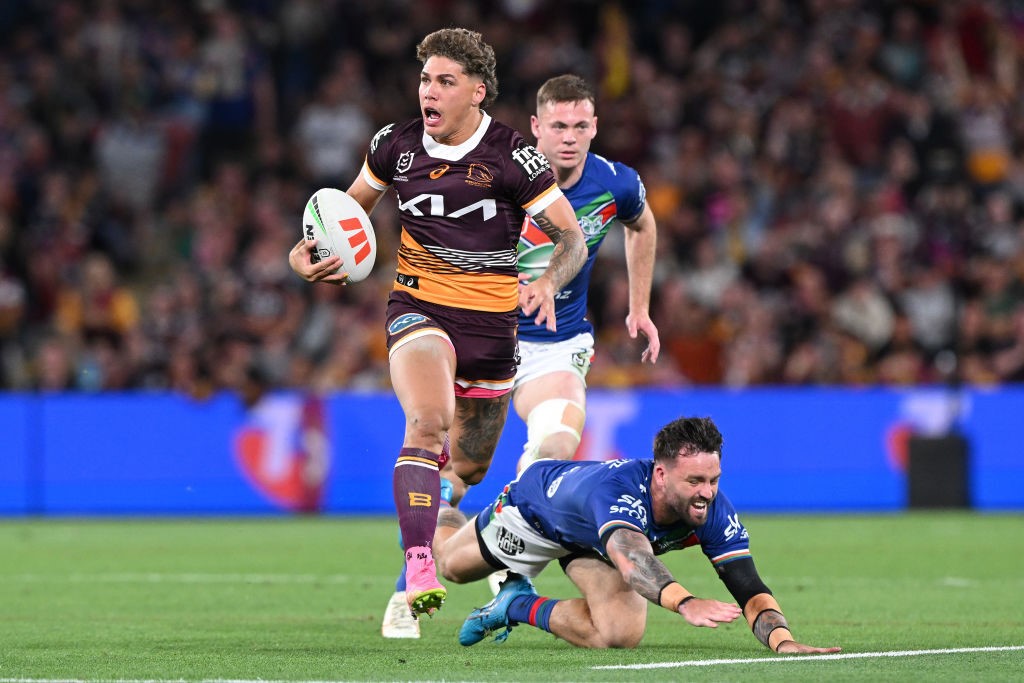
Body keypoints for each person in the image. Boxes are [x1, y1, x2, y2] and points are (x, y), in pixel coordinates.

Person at [288, 28, 586, 628]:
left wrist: (549, 282)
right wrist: (304, 256)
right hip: (419, 310)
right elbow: (339, 220)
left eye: (445, 81)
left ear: (477, 92)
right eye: (425, 79)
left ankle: (441, 529)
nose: (430, 91)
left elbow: (570, 237)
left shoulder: (511, 156)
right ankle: (418, 563)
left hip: (493, 333)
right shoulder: (393, 146)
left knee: (468, 470)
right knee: (426, 423)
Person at [379, 72, 660, 637]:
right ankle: (413, 576)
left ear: (595, 127)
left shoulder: (614, 183)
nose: (570, 137)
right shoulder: (501, 169)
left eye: (581, 125)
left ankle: (510, 580)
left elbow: (642, 224)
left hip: (556, 345)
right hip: (482, 337)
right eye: (558, 125)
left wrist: (639, 307)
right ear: (536, 128)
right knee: (458, 476)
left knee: (551, 451)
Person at [433, 416, 843, 653]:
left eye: (714, 479)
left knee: (619, 635)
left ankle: (517, 604)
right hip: (538, 513)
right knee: (450, 565)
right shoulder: (621, 493)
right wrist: (686, 602)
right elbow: (634, 562)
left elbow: (747, 584)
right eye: (696, 480)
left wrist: (783, 641)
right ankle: (438, 503)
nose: (707, 492)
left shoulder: (711, 508)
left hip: (594, 544)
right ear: (661, 475)